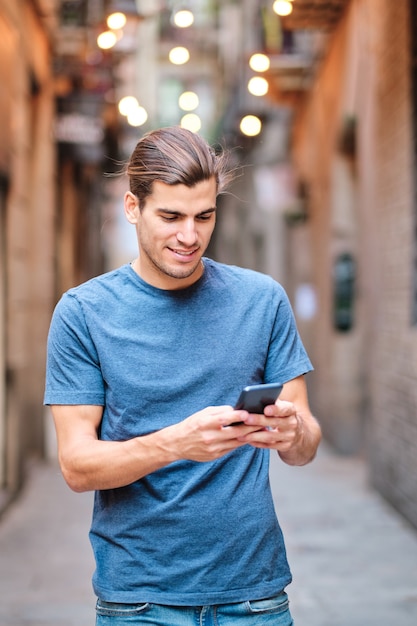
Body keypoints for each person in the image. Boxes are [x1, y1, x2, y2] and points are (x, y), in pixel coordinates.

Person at [44, 126, 321, 626]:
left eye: (204, 216)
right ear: (133, 208)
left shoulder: (262, 300)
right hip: (140, 602)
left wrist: (292, 431)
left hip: (254, 598)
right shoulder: (83, 313)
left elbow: (304, 445)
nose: (189, 236)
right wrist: (176, 443)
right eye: (170, 216)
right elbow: (76, 466)